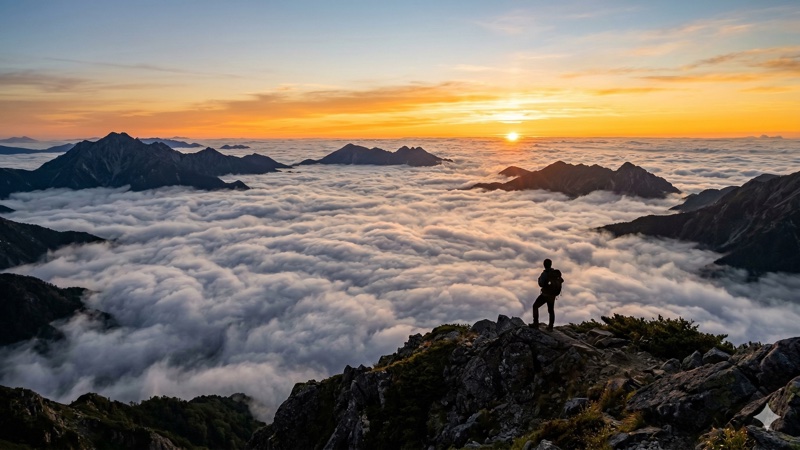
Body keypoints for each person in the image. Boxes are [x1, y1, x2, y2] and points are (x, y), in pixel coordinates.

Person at [532, 258, 563, 331]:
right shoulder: (555, 273)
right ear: (551, 264)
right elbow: (561, 280)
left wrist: (539, 279)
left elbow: (541, 284)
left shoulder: (545, 274)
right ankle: (550, 327)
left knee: (535, 306)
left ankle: (535, 323)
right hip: (552, 295)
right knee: (551, 310)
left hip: (545, 295)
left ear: (544, 265)